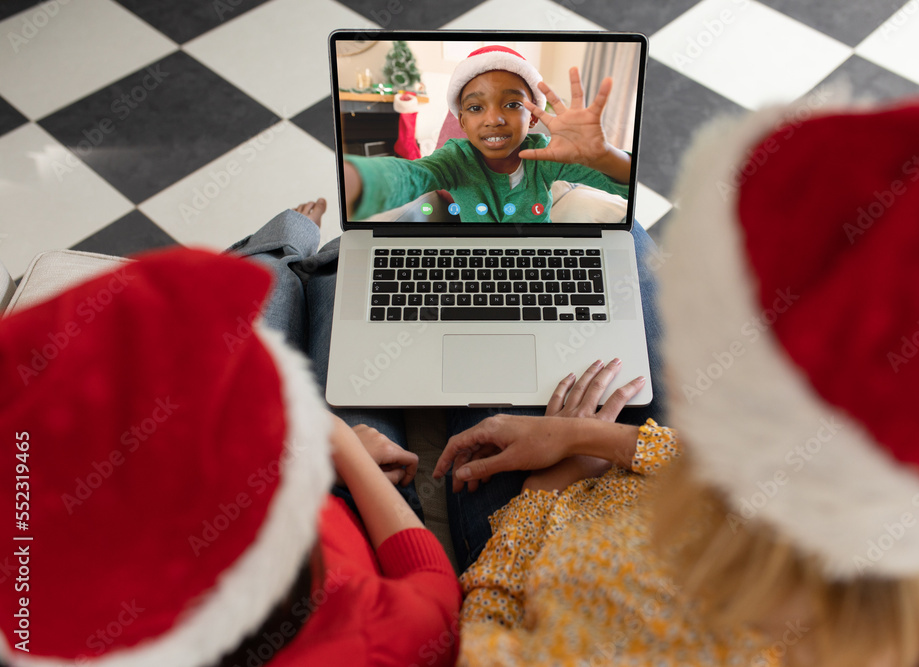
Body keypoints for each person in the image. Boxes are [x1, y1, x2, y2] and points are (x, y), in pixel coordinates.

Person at [433, 97, 919, 665]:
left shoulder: (595, 584)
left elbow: (483, 642)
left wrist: (544, 490)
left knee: (400, 281)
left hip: (542, 529)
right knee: (615, 228)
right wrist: (586, 438)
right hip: (625, 472)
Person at [0, 248, 460, 667]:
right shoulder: (373, 639)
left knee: (286, 280)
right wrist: (335, 437)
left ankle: (293, 241)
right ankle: (305, 246)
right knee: (338, 283)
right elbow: (433, 585)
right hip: (350, 498)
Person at [227, 193, 667, 575]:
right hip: (641, 486)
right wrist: (590, 439)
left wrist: (557, 479)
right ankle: (314, 247)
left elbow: (488, 595)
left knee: (281, 286)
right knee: (622, 232)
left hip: (507, 531)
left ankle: (299, 244)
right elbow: (718, 468)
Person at [342, 45, 632, 222]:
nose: (494, 119)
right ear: (463, 122)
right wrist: (361, 177)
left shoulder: (544, 154)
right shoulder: (455, 158)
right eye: (476, 107)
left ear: (531, 118)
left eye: (512, 104)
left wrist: (602, 155)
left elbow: (626, 183)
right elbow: (412, 175)